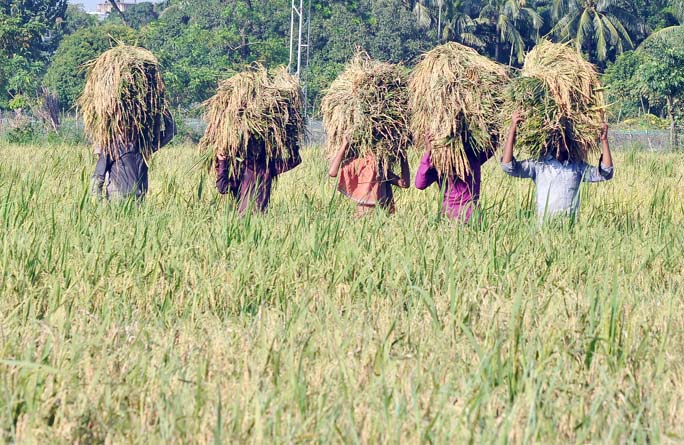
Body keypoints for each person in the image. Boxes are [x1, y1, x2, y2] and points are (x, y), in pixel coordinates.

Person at [500, 110, 614, 223]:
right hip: (544, 229)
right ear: (549, 140)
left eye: (565, 138)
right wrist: (513, 129)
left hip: (569, 229)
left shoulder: (577, 166)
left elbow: (606, 173)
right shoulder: (539, 165)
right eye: (558, 137)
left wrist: (604, 140)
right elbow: (508, 166)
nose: (562, 142)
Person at [92, 112, 176, 201]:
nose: (131, 127)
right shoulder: (112, 147)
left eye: (134, 124)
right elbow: (98, 176)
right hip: (117, 199)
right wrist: (97, 202)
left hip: (139, 199)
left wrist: (164, 110)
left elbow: (171, 132)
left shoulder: (143, 146)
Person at [415, 133, 495, 222]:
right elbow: (419, 184)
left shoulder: (471, 158)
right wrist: (428, 153)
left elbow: (419, 184)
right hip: (451, 218)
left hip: (468, 218)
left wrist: (428, 153)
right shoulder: (439, 166)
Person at [328, 134, 410, 217]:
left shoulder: (381, 169)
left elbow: (404, 184)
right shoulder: (358, 165)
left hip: (381, 219)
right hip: (362, 220)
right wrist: (344, 145)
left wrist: (403, 154)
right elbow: (332, 172)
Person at [215, 141, 301, 215]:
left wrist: (291, 145)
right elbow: (222, 188)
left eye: (259, 144)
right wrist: (222, 162)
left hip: (262, 221)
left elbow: (295, 161)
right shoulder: (240, 169)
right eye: (252, 144)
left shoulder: (269, 166)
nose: (256, 147)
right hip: (244, 220)